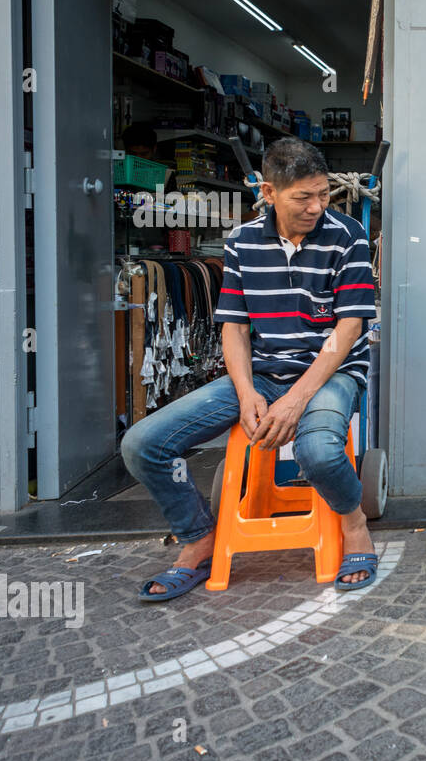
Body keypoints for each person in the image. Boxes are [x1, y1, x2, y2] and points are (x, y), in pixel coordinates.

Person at [121, 137, 379, 600]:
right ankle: (199, 538)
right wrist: (246, 394)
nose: (317, 206)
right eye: (303, 197)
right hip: (261, 372)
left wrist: (296, 400)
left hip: (330, 374)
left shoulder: (347, 237)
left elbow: (349, 328)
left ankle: (354, 523)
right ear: (268, 193)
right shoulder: (241, 243)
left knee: (318, 453)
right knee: (143, 444)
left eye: (323, 193)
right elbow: (235, 329)